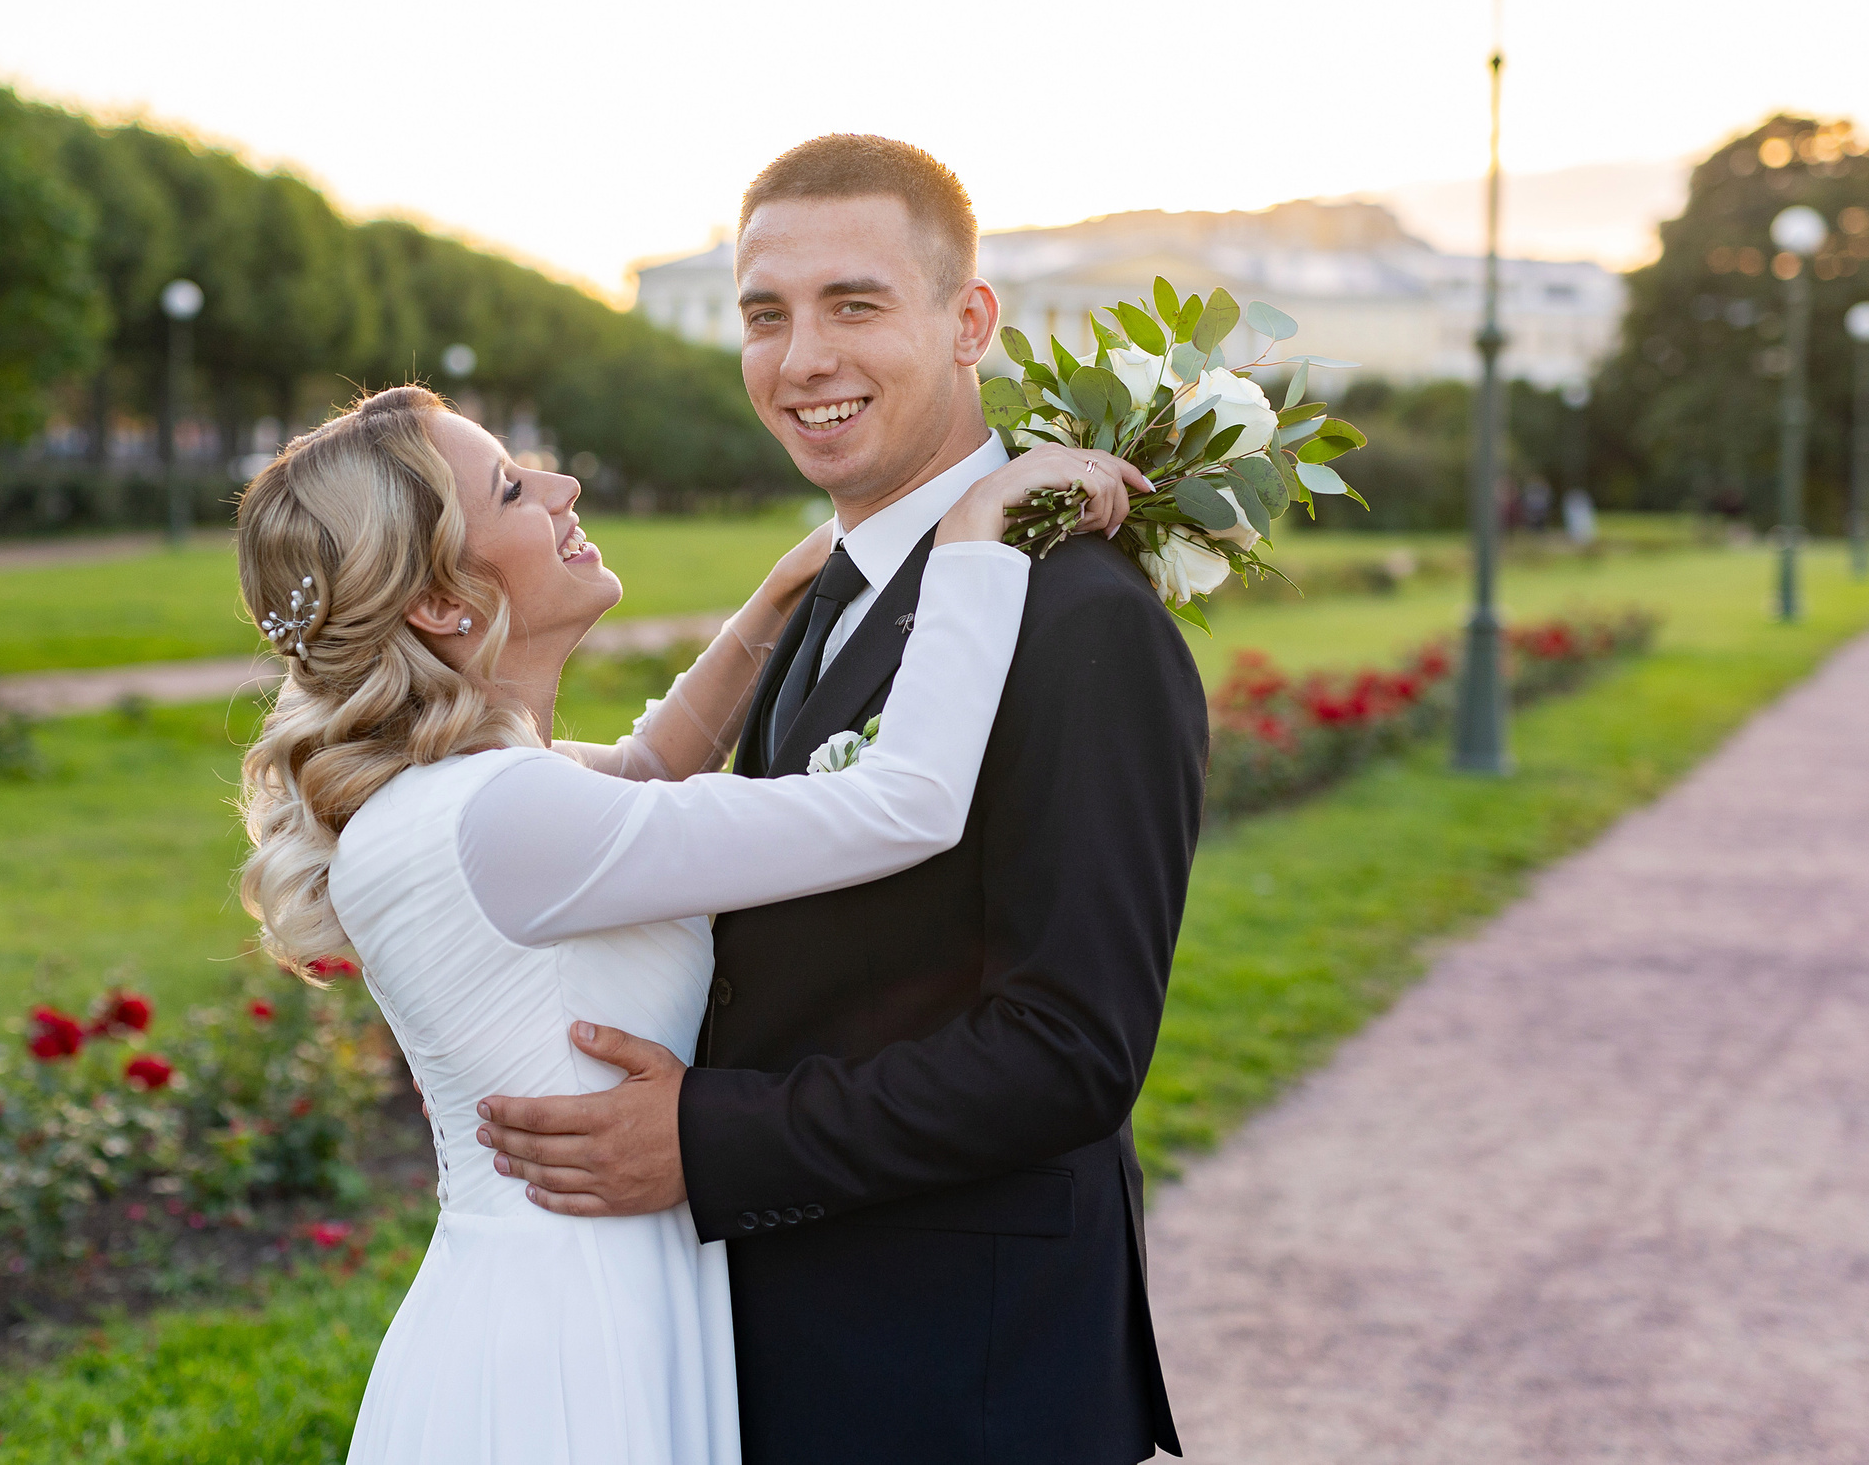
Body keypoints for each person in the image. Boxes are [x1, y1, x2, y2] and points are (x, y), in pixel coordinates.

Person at [231, 384, 1141, 1464]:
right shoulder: (506, 815)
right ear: (439, 600)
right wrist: (973, 537)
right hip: (577, 1335)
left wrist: (780, 592)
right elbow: (905, 805)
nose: (564, 486)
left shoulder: (453, 794)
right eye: (514, 489)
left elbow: (645, 769)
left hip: (542, 1291)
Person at [479, 136, 1209, 1463]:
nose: (802, 357)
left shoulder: (1079, 619)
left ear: (968, 319)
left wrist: (710, 1137)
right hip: (795, 1338)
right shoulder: (826, 588)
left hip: (963, 1367)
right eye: (767, 315)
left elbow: (1071, 1050)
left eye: (854, 305)